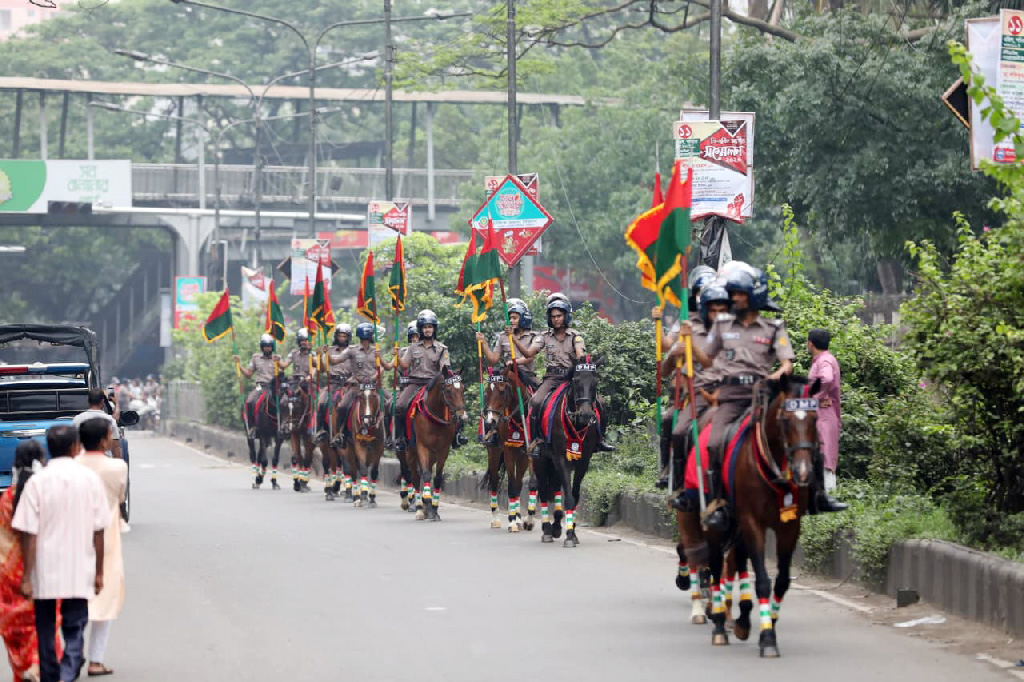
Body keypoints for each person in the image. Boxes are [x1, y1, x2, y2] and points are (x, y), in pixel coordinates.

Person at [681, 264, 797, 532]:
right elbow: (707, 360)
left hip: (762, 398)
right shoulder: (722, 326)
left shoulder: (774, 327)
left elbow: (787, 364)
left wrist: (775, 376)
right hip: (731, 399)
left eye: (739, 294)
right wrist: (690, 343)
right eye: (732, 293)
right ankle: (718, 502)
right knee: (713, 444)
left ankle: (807, 496)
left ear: (754, 295)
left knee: (798, 435)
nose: (733, 298)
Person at [12, 425, 109, 682]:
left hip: (45, 568)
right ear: (75, 447)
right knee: (75, 625)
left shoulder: (36, 482)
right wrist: (99, 572)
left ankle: (52, 675)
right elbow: (99, 531)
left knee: (45, 628)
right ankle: (68, 670)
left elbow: (28, 533)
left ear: (49, 448)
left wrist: (27, 577)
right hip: (79, 565)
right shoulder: (90, 480)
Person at [510, 293, 615, 455]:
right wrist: (514, 339)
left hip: (571, 377)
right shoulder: (544, 337)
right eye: (553, 317)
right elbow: (528, 353)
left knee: (600, 402)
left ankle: (600, 439)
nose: (556, 319)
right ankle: (536, 440)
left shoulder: (575, 336)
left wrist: (581, 359)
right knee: (535, 402)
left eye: (559, 316)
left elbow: (580, 353)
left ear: (566, 316)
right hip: (552, 378)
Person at [665, 283, 731, 510]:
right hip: (701, 393)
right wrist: (676, 352)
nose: (718, 314)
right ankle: (682, 486)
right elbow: (673, 368)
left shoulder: (735, 331)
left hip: (732, 392)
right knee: (679, 432)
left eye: (722, 310)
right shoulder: (692, 330)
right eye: (713, 310)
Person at [651, 265, 716, 488]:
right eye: (699, 292)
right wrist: (658, 323)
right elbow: (666, 346)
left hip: (721, 383)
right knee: (670, 420)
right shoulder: (687, 320)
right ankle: (669, 470)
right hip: (690, 387)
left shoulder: (727, 322)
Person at [75, 418, 127, 679]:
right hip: (106, 536)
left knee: (72, 596)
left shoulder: (72, 466)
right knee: (104, 597)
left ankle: (71, 651)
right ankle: (95, 659)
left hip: (72, 534)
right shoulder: (117, 467)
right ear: (104, 440)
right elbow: (120, 496)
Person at [0, 440, 55, 682]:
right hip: (41, 569)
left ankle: (24, 667)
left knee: (14, 628)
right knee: (45, 623)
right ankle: (36, 664)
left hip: (9, 573)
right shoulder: (45, 496)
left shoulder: (6, 498)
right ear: (42, 462)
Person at [392, 309, 467, 451]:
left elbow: (445, 367)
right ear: (421, 329)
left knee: (456, 403)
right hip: (415, 383)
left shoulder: (442, 348)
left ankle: (457, 435)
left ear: (434, 329)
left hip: (434, 384)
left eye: (430, 327)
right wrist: (397, 357)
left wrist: (450, 375)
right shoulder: (413, 347)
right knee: (399, 406)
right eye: (425, 327)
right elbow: (405, 365)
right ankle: (401, 438)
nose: (427, 330)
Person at [331, 323, 394, 448]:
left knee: (391, 403)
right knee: (342, 406)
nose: (365, 340)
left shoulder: (376, 350)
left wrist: (376, 376)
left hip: (374, 386)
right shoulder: (352, 350)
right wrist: (326, 354)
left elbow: (383, 367)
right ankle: (339, 434)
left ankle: (389, 436)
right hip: (356, 386)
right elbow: (335, 360)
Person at [475, 297, 540, 390]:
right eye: (510, 318)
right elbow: (493, 360)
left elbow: (530, 357)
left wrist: (514, 362)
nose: (511, 321)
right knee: (491, 390)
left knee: (540, 395)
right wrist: (483, 343)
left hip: (527, 375)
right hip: (507, 373)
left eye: (515, 318)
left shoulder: (533, 336)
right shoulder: (503, 336)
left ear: (524, 319)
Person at [807, 328, 842, 494]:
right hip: (824, 415)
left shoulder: (824, 361)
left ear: (810, 344)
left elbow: (826, 378)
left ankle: (828, 497)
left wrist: (816, 397)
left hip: (824, 416)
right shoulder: (825, 359)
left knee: (825, 457)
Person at [235, 335, 280, 439]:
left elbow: (281, 372)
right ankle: (252, 427)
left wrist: (278, 363)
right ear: (262, 347)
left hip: (273, 387)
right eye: (265, 346)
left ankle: (283, 426)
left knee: (284, 402)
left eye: (269, 346)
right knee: (250, 401)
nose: (267, 348)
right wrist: (238, 365)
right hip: (260, 386)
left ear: (272, 347)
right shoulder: (256, 358)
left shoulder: (277, 358)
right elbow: (248, 374)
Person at [315, 324, 352, 443]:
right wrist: (320, 356)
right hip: (333, 382)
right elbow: (322, 369)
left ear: (348, 337)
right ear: (336, 337)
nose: (342, 338)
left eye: (344, 336)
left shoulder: (352, 350)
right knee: (322, 403)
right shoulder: (329, 350)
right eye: (340, 336)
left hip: (349, 383)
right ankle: (320, 430)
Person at [72, 388, 122, 461]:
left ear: (88, 401)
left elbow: (74, 444)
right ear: (102, 401)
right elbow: (116, 447)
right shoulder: (110, 420)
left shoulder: (77, 419)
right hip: (105, 461)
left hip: (84, 461)